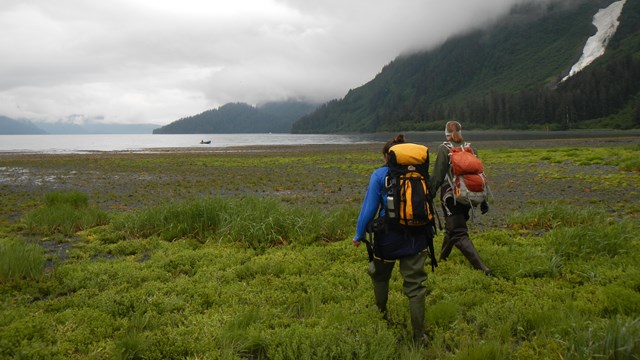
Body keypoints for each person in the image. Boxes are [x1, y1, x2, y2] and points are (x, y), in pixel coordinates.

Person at [353, 133, 432, 345]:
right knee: (415, 286)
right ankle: (419, 335)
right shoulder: (420, 174)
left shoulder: (379, 175)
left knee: (379, 276)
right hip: (418, 236)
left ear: (388, 156)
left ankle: (381, 313)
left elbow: (369, 209)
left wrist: (358, 235)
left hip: (387, 238)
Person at [429, 121, 492, 275]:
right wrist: (484, 201)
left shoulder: (444, 149)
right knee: (452, 229)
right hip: (469, 196)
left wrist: (428, 196)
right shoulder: (471, 148)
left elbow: (437, 177)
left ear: (446, 133)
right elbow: (479, 175)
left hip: (452, 197)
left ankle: (482, 269)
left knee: (458, 232)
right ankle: (441, 260)